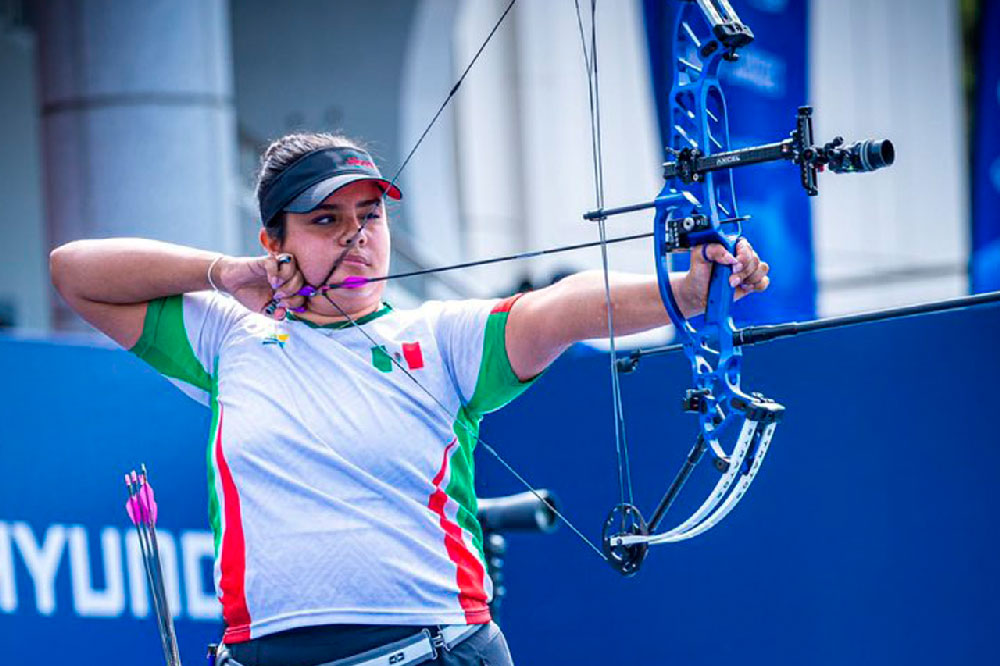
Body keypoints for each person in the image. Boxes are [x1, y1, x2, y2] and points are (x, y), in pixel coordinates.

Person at [49, 132, 770, 666]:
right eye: (326, 221)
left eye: (370, 216)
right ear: (275, 240)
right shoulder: (226, 339)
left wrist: (684, 292)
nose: (357, 238)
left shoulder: (442, 337)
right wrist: (224, 272)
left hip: (436, 652)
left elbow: (566, 308)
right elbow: (74, 271)